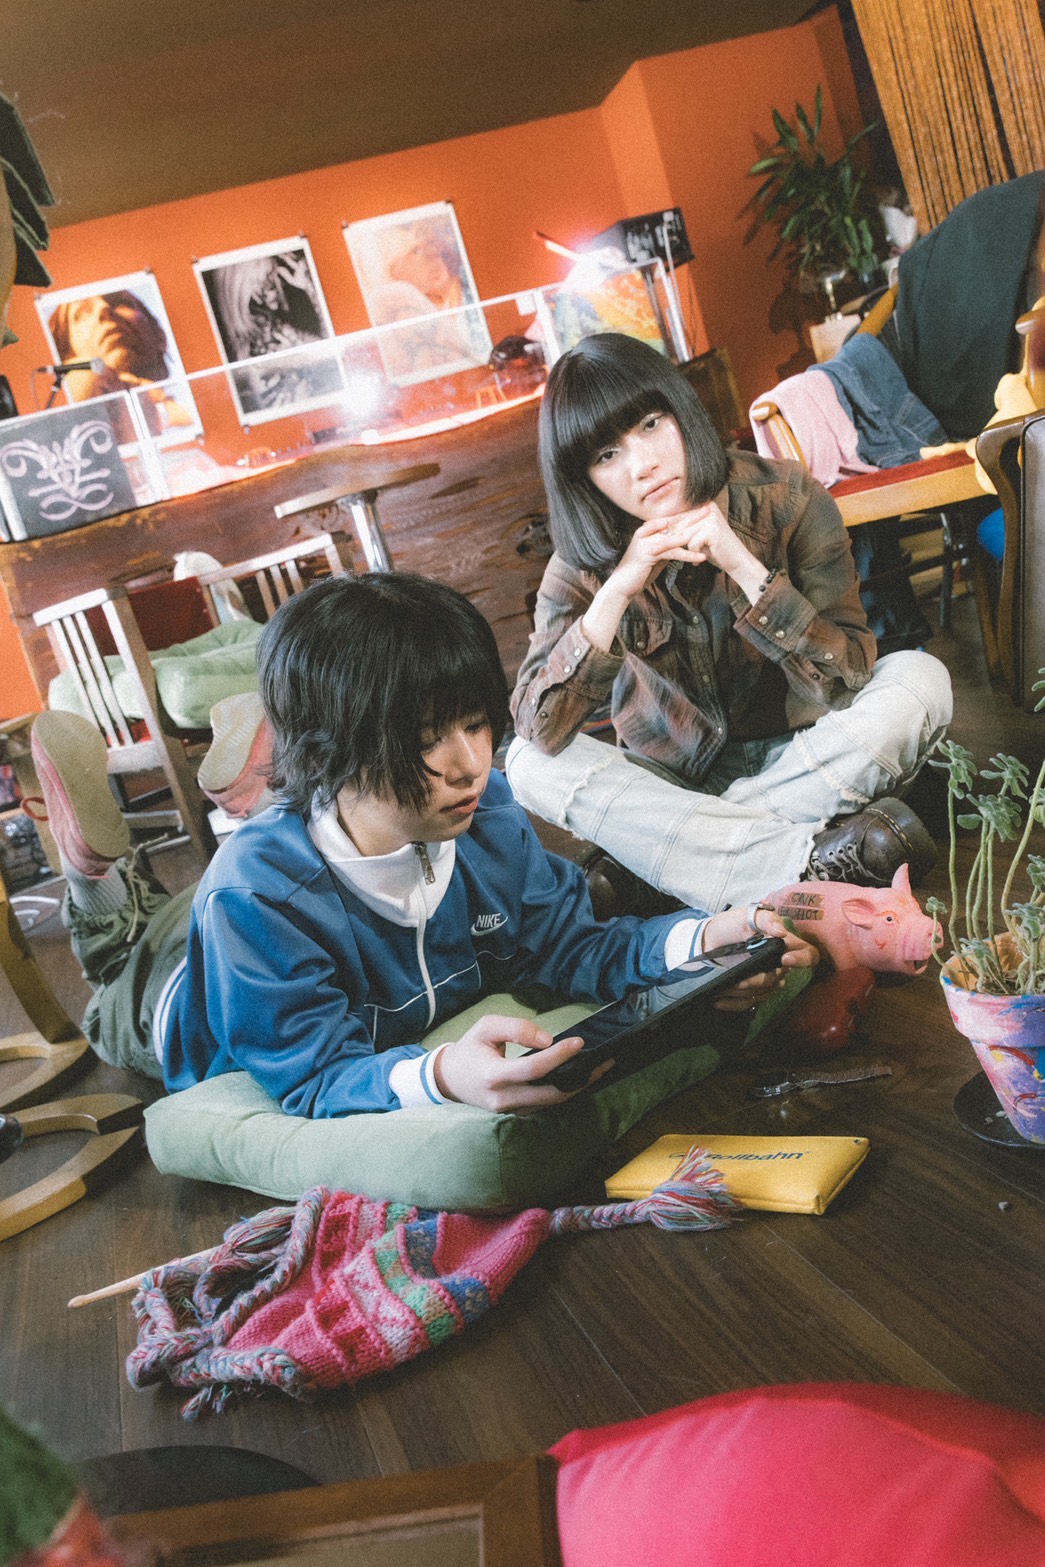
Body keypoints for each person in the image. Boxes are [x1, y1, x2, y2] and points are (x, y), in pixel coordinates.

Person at [27, 572, 816, 1114]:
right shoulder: (256, 895)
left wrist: (701, 940)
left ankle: (276, 763)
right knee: (121, 958)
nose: (470, 763)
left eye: (475, 723)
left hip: (303, 838)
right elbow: (313, 1075)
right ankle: (95, 874)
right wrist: (438, 1074)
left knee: (252, 868)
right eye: (426, 738)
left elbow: (571, 946)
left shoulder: (487, 812)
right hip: (174, 990)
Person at [506, 333, 952, 914]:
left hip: (802, 755)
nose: (642, 466)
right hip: (673, 783)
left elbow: (846, 681)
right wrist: (618, 588)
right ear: (582, 478)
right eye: (606, 456)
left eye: (650, 425)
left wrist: (745, 568)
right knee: (525, 764)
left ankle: (675, 864)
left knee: (921, 681)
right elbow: (538, 726)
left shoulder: (788, 497)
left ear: (680, 412)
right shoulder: (581, 561)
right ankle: (802, 857)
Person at [47, 288, 194, 431]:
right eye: (82, 313)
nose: (103, 308)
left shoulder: (192, 399)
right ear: (67, 356)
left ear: (160, 336)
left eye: (119, 302)